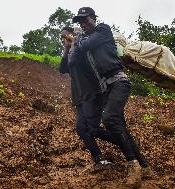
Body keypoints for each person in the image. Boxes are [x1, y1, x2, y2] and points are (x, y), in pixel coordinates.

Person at [71, 7, 151, 187]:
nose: (82, 24)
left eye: (85, 20)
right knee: (121, 128)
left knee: (109, 118)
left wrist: (77, 38)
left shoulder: (103, 30)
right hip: (106, 88)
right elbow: (73, 60)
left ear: (93, 18)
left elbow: (83, 45)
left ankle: (133, 164)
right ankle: (144, 166)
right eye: (79, 22)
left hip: (119, 82)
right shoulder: (88, 43)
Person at [59, 26, 116, 171]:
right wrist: (67, 48)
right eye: (61, 37)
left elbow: (88, 58)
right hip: (79, 96)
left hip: (91, 93)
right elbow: (62, 69)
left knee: (93, 129)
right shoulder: (70, 52)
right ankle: (99, 160)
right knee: (82, 129)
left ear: (71, 35)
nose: (62, 39)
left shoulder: (81, 47)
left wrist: (76, 40)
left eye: (64, 36)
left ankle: (125, 142)